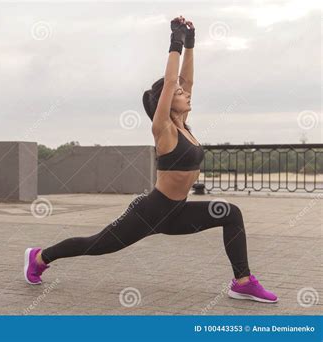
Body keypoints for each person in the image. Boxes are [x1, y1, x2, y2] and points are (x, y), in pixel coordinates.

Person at [24, 15, 278, 303]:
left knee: (230, 213)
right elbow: (171, 81)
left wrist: (192, 43)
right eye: (179, 94)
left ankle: (242, 282)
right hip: (150, 211)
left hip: (177, 212)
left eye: (184, 92)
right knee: (97, 244)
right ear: (167, 101)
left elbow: (185, 79)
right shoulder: (164, 129)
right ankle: (40, 257)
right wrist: (176, 40)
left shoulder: (184, 124)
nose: (185, 93)